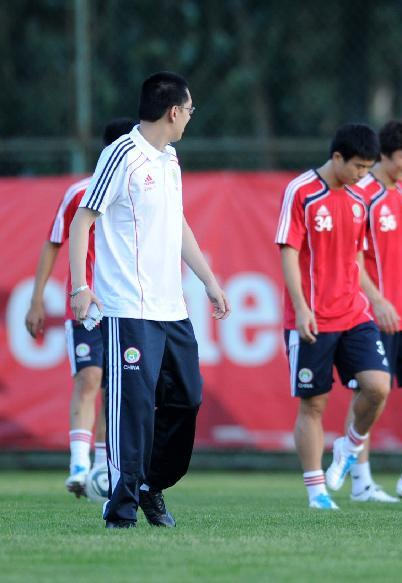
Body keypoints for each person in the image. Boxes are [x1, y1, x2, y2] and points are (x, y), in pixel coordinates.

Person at [69, 72, 230, 528]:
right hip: (129, 310)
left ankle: (149, 484)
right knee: (134, 412)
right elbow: (84, 221)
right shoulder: (120, 154)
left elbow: (177, 225)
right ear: (173, 110)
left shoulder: (169, 158)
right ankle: (120, 509)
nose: (190, 118)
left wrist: (209, 281)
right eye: (190, 109)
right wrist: (81, 286)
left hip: (172, 309)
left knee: (188, 400)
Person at [275, 123, 392, 510]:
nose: (363, 174)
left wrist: (374, 298)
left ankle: (350, 445)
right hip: (312, 319)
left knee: (378, 387)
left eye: (368, 167)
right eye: (358, 166)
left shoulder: (359, 200)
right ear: (337, 157)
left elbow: (356, 257)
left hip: (353, 312)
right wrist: (302, 307)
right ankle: (317, 492)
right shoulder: (301, 192)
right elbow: (289, 252)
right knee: (314, 405)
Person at [25, 117, 134, 497]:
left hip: (128, 307)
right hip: (88, 305)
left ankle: (105, 470)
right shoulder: (80, 193)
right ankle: (79, 465)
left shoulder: (142, 195)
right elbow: (54, 241)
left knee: (114, 389)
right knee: (88, 379)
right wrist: (37, 298)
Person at [352, 120, 402, 500]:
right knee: (371, 396)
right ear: (384, 155)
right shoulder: (361, 194)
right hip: (373, 313)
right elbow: (348, 258)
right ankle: (361, 481)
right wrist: (377, 299)